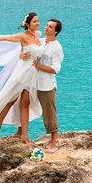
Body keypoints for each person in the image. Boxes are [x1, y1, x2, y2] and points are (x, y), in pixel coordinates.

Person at [0, 13, 45, 146]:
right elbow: (4, 38)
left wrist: (21, 53)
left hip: (33, 74)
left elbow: (25, 50)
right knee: (8, 101)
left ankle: (24, 135)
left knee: (25, 103)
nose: (37, 23)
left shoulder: (37, 35)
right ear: (28, 24)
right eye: (35, 21)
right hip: (22, 72)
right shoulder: (22, 36)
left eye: (38, 21)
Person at [19, 18, 63, 153]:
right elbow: (27, 50)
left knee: (49, 113)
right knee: (23, 104)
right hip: (32, 81)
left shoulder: (57, 47)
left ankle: (53, 143)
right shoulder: (40, 41)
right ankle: (21, 132)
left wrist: (39, 66)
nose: (46, 28)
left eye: (50, 27)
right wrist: (22, 55)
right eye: (47, 25)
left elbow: (55, 69)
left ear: (55, 31)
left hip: (46, 85)